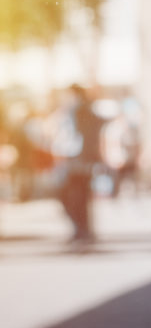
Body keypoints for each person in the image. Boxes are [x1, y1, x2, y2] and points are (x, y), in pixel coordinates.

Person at [51, 85, 103, 244]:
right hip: (73, 160)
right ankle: (81, 229)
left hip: (77, 160)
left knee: (76, 196)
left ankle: (82, 229)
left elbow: (85, 139)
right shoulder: (72, 113)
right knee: (74, 196)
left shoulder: (82, 113)